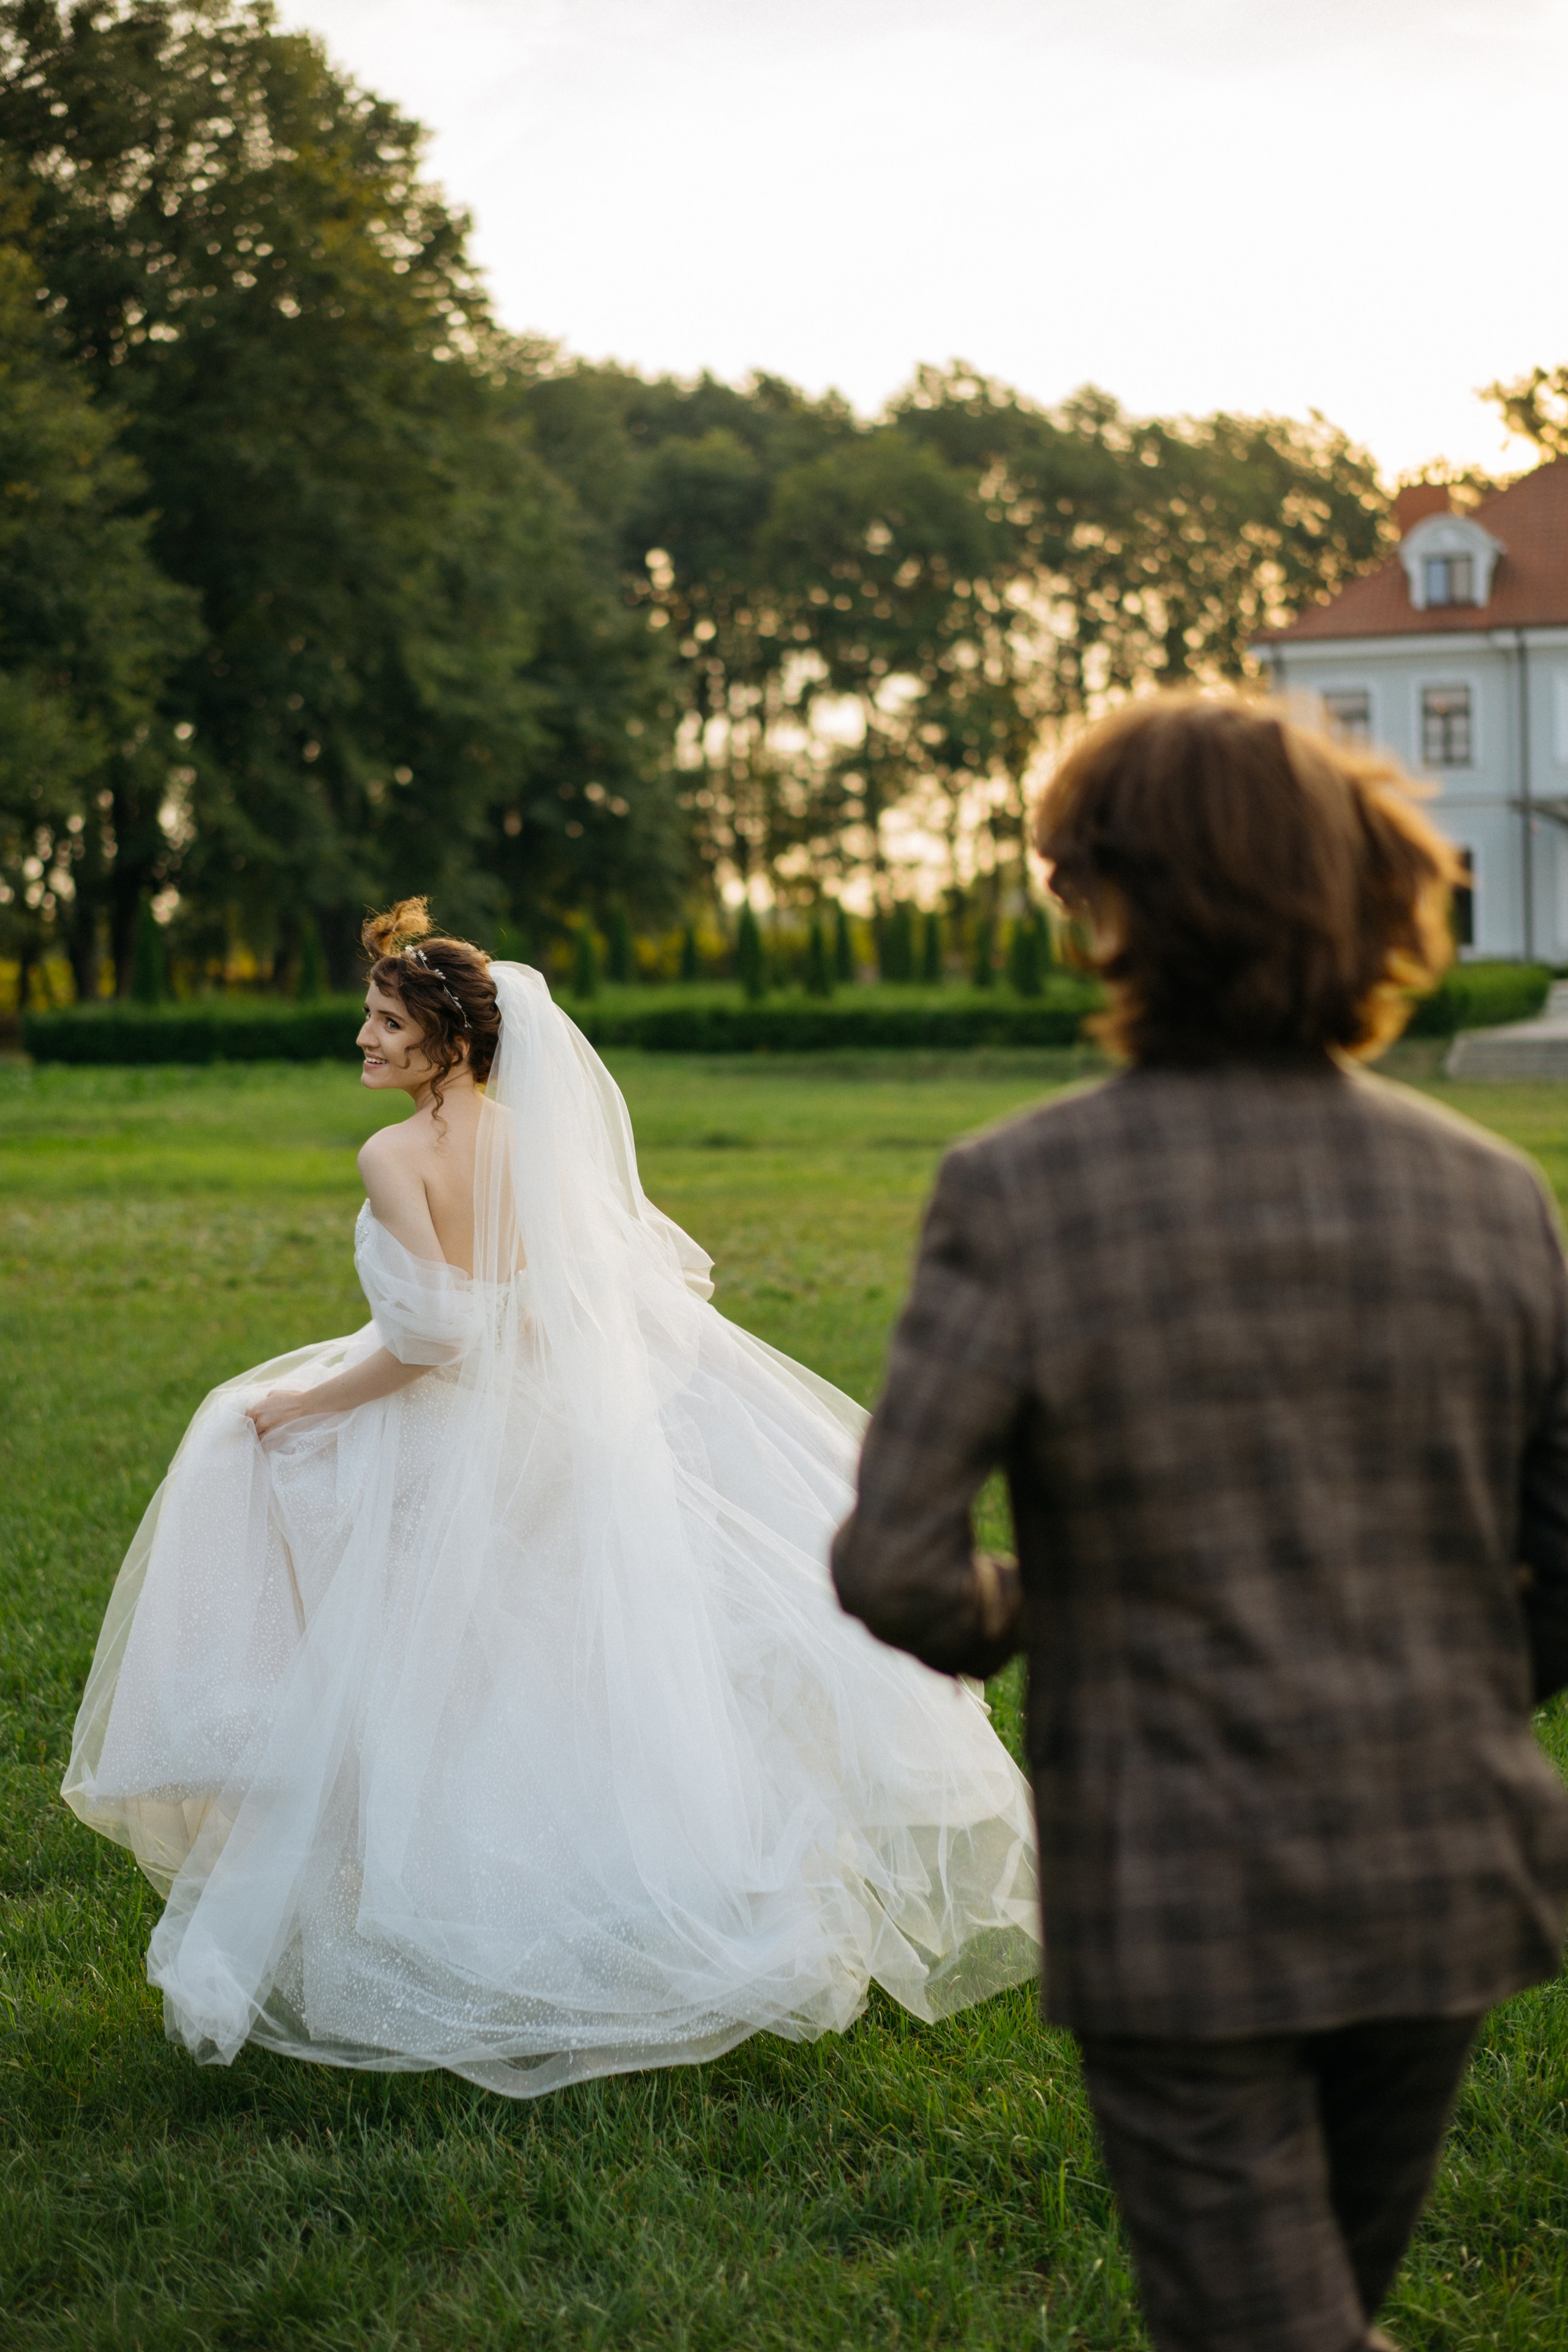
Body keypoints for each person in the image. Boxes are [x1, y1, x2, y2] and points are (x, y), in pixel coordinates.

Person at [831, 693, 1568, 2352]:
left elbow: (895, 1562)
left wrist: (1042, 1606)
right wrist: (1443, 1690)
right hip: (1447, 1862)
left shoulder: (1019, 1191)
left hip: (1182, 1889)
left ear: (1111, 904)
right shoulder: (1495, 1192)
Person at [64, 901, 1038, 2098]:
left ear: (449, 1042)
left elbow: (425, 1338)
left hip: (447, 1433)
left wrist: (296, 1409)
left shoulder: (393, 1156)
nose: (362, 1040)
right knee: (550, 1672)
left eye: (384, 1022)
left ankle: (452, 1914)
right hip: (558, 1432)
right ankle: (607, 1900)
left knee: (382, 1621)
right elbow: (619, 1286)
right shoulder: (537, 1138)